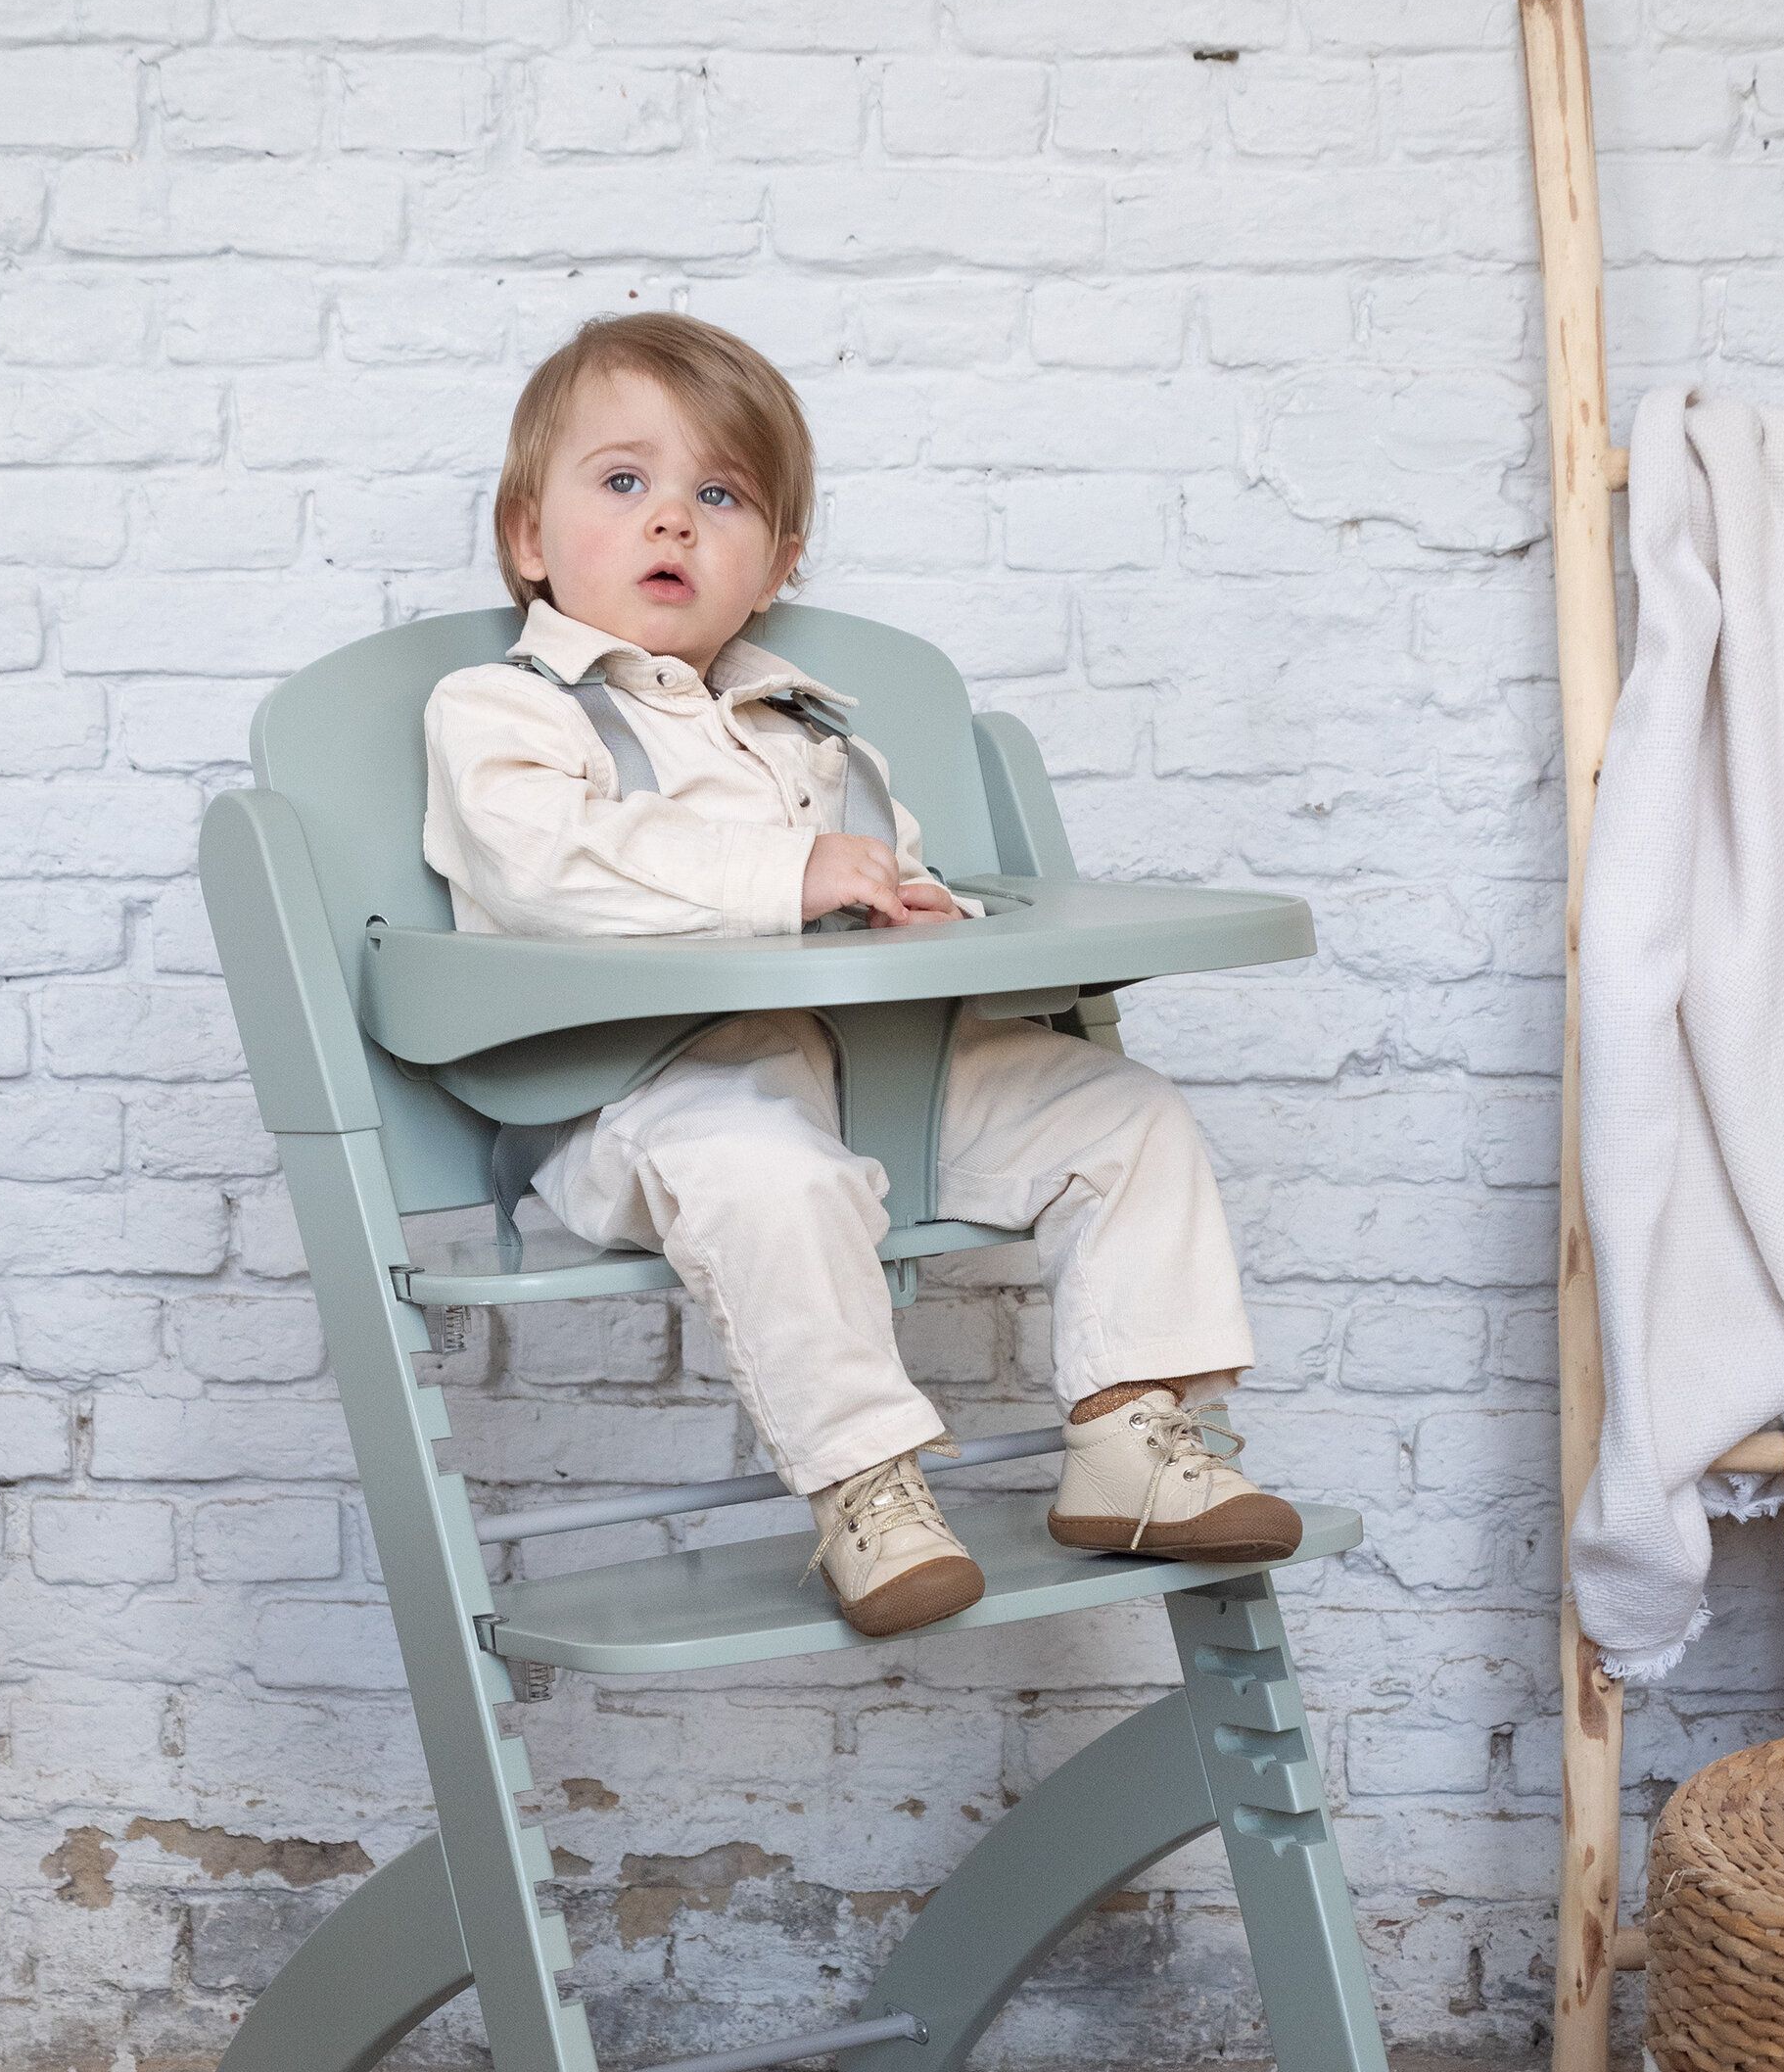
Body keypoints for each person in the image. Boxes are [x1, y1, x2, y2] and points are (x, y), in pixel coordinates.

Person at [423, 313, 1298, 1638]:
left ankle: (1131, 1435)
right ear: (527, 538)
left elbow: (870, 869)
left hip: (860, 1072)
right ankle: (866, 1490)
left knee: (1124, 1116)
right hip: (637, 1097)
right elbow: (545, 868)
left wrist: (917, 910)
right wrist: (790, 875)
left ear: (776, 564)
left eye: (720, 496)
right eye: (624, 481)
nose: (671, 519)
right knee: (774, 1182)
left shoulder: (806, 726)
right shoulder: (507, 712)